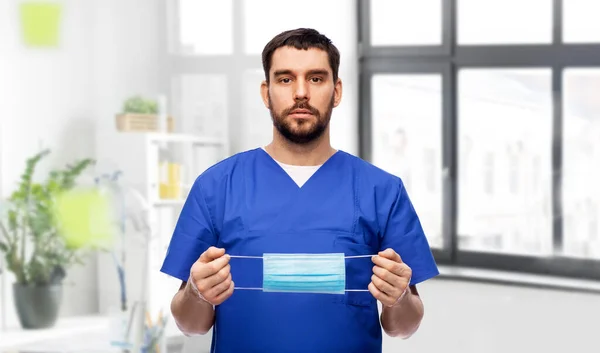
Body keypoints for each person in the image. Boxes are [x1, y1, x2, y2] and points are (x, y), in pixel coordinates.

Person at [160, 28, 439, 353]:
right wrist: (196, 291)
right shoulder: (217, 186)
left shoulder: (382, 191)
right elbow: (190, 324)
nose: (301, 92)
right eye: (285, 79)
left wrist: (400, 297)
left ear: (336, 91)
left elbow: (404, 327)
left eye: (316, 79)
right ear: (266, 92)